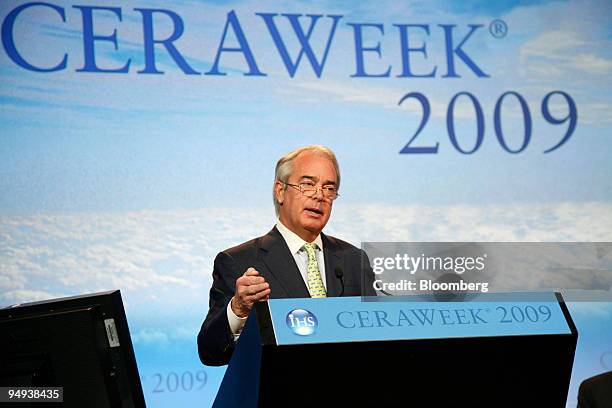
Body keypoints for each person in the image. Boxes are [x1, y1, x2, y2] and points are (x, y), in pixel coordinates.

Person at [198, 145, 376, 366]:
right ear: (280, 191)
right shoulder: (239, 262)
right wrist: (238, 309)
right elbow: (210, 352)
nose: (319, 196)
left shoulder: (353, 259)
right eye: (307, 184)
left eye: (329, 188)